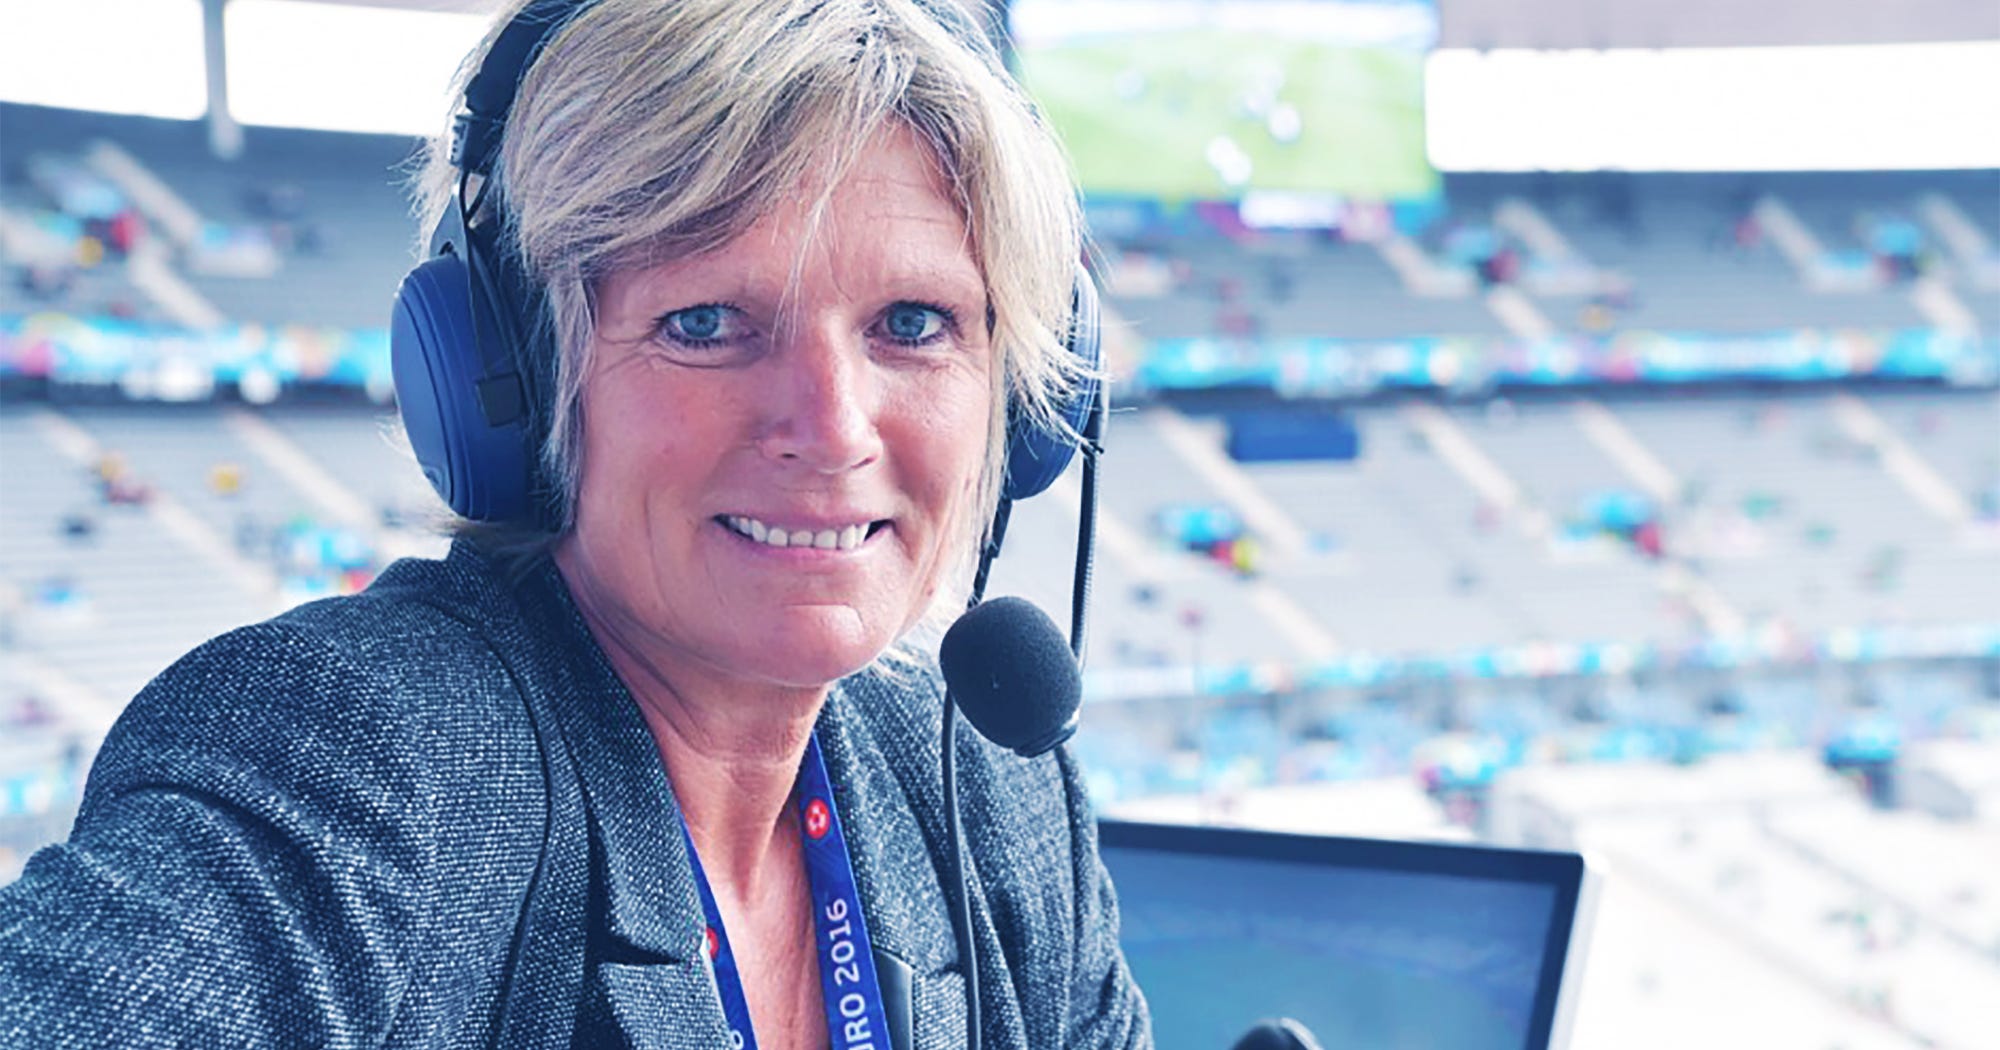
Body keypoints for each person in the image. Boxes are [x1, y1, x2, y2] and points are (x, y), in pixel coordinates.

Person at [0, 1, 1151, 1047]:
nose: (832, 429)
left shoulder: (992, 793)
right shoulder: (363, 763)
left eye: (912, 323)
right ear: (509, 374)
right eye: (704, 323)